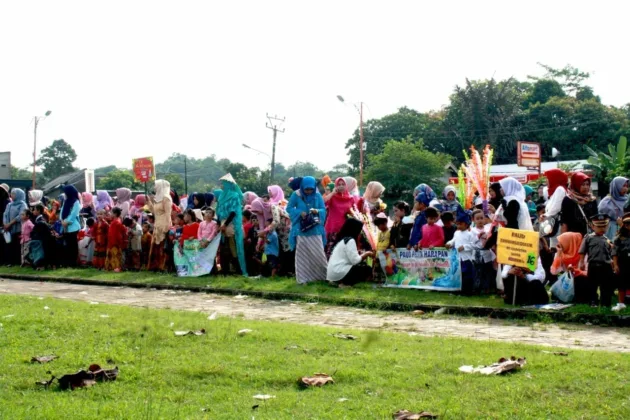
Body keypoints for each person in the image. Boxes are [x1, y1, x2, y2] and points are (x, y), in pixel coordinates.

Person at [287, 175, 328, 284]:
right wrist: (299, 212)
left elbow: (323, 209)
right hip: (301, 229)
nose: (309, 191)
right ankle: (303, 279)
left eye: (311, 189)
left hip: (315, 229)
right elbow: (289, 208)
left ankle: (323, 276)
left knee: (318, 253)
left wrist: (317, 211)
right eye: (306, 189)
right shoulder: (296, 195)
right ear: (302, 187)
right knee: (302, 255)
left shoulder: (318, 195)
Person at [579, 214, 615, 307]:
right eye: (599, 226)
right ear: (592, 226)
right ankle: (593, 301)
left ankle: (605, 302)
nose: (601, 229)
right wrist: (581, 262)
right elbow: (582, 251)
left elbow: (612, 254)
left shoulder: (608, 240)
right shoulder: (588, 238)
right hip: (593, 264)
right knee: (592, 285)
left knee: (606, 285)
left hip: (606, 265)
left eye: (604, 226)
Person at [326, 218, 374, 287]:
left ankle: (336, 281)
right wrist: (367, 254)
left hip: (332, 271)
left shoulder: (340, 238)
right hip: (341, 272)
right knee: (367, 269)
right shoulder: (350, 240)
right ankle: (345, 283)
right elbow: (355, 261)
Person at [216, 173, 248, 276]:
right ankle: (226, 270)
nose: (222, 185)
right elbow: (218, 211)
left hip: (231, 223)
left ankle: (238, 270)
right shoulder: (221, 195)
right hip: (222, 222)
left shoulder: (234, 196)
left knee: (233, 246)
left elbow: (233, 212)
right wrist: (219, 223)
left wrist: (225, 224)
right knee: (224, 247)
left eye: (223, 183)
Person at [550, 232, 589, 303]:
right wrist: (558, 254)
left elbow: (589, 273)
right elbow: (554, 272)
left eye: (562, 242)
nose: (559, 245)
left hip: (581, 281)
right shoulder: (560, 253)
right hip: (568, 281)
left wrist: (576, 271)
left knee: (580, 280)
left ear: (570, 243)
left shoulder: (583, 255)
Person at [445, 210, 476, 295]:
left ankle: (468, 291)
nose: (458, 225)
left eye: (460, 224)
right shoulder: (456, 233)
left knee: (467, 276)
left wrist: (464, 247)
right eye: (457, 224)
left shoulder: (470, 234)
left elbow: (474, 245)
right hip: (458, 258)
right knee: (459, 275)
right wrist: (449, 243)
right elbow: (453, 240)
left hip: (467, 258)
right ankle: (458, 290)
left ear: (466, 224)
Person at [324, 177, 355, 257]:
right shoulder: (333, 197)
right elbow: (324, 203)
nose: (341, 186)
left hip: (346, 229)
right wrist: (332, 193)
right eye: (339, 184)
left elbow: (354, 212)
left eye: (343, 184)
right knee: (331, 252)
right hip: (333, 229)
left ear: (346, 186)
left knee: (343, 253)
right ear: (335, 186)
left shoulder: (350, 198)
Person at [147, 179, 173, 271]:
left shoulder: (166, 198)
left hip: (164, 224)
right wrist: (149, 202)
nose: (154, 187)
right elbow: (154, 212)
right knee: (156, 247)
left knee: (163, 246)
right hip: (157, 224)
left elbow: (168, 213)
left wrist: (167, 226)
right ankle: (156, 266)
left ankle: (164, 266)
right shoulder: (157, 198)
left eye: (156, 185)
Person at [472, 209, 496, 294]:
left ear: (484, 219)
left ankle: (488, 288)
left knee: (488, 271)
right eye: (477, 219)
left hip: (487, 253)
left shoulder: (488, 228)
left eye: (481, 218)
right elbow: (471, 242)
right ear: (473, 220)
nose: (480, 220)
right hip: (477, 254)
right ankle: (478, 288)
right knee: (478, 271)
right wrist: (478, 237)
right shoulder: (472, 230)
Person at [544, 169, 569, 245]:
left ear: (554, 179)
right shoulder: (555, 191)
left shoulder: (560, 189)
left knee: (556, 249)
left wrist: (546, 215)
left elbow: (556, 208)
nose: (546, 181)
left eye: (548, 179)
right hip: (554, 224)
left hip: (558, 225)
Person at [3, 188, 27, 265]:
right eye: (12, 193)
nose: (11, 195)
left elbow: (20, 216)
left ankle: (17, 261)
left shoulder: (22, 204)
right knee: (9, 245)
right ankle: (10, 261)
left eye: (13, 194)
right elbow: (5, 215)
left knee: (17, 245)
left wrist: (10, 224)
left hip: (18, 229)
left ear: (18, 195)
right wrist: (5, 224)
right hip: (9, 229)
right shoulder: (9, 204)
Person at [60, 185, 82, 267]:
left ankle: (73, 263)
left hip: (73, 227)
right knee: (67, 245)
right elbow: (62, 212)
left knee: (73, 246)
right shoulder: (66, 201)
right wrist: (62, 220)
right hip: (65, 227)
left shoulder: (76, 202)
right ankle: (67, 262)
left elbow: (74, 214)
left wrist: (66, 222)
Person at [612, 213, 630, 311]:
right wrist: (615, 265)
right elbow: (614, 252)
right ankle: (621, 303)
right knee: (621, 283)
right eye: (627, 224)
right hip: (623, 262)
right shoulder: (619, 238)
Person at [105, 207, 126, 272]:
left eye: (112, 213)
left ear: (115, 214)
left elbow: (115, 234)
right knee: (114, 255)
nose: (110, 214)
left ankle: (116, 268)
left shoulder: (116, 222)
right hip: (113, 241)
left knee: (115, 255)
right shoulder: (116, 220)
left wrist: (114, 242)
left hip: (114, 242)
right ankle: (113, 267)